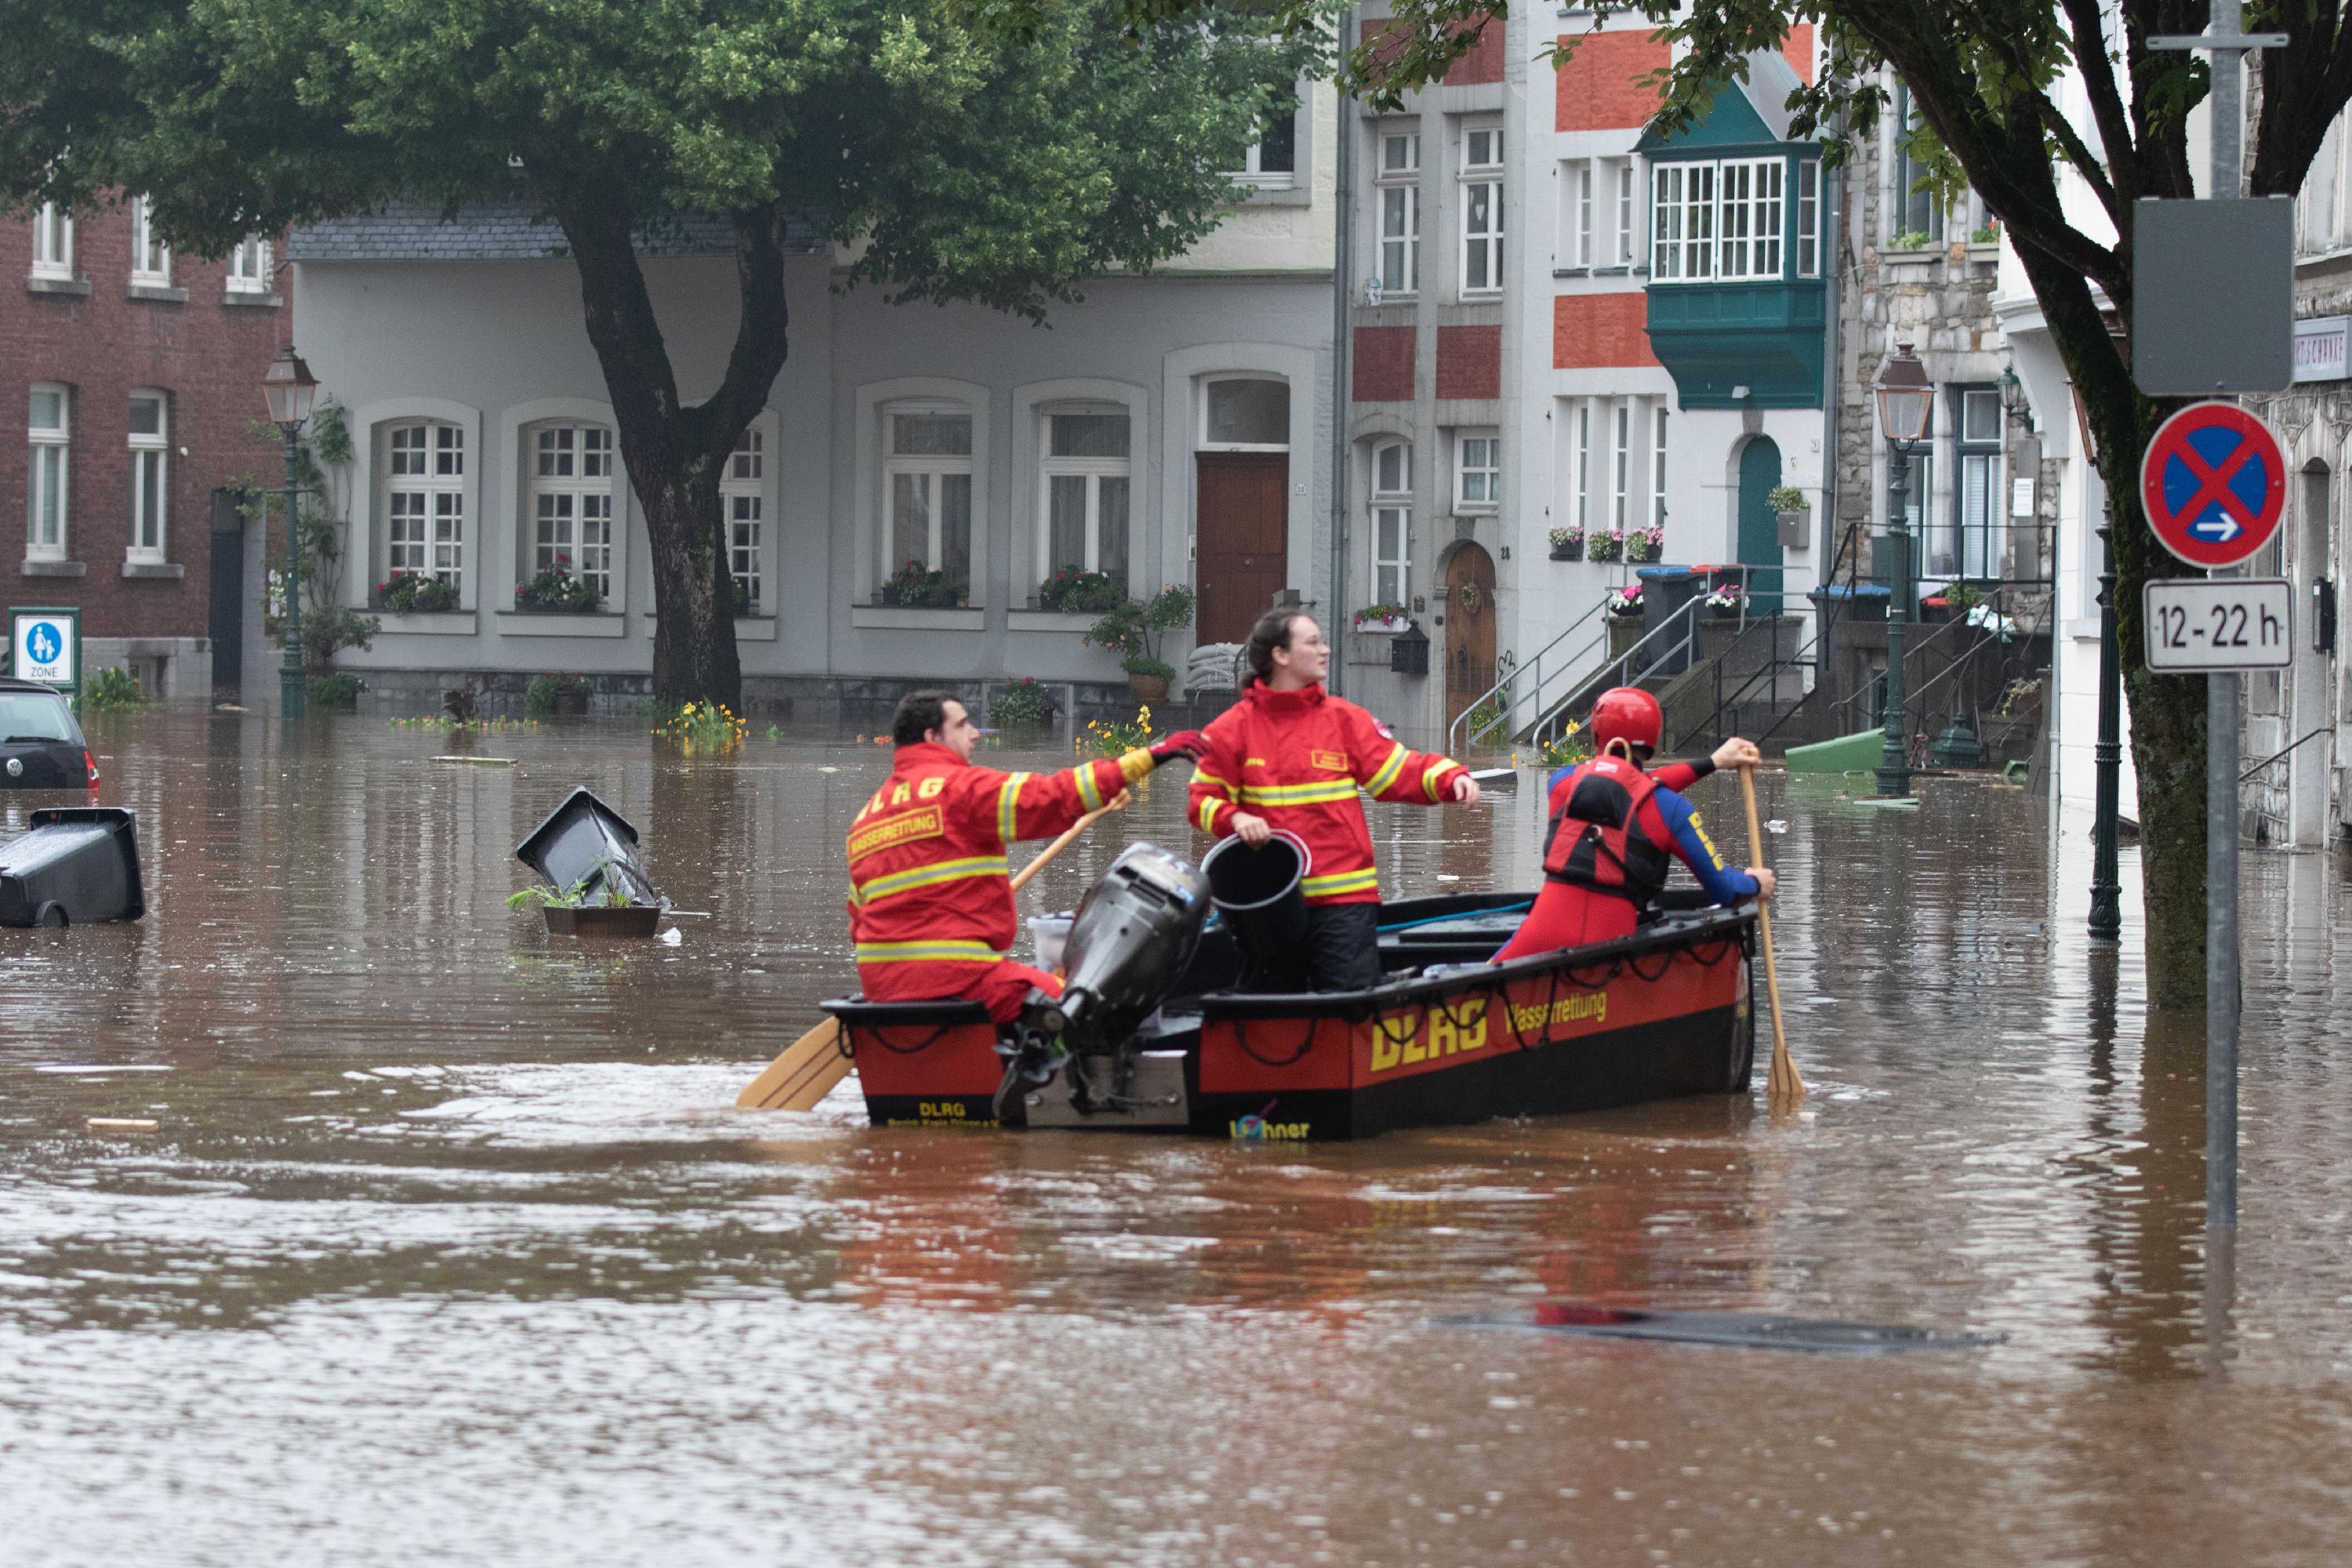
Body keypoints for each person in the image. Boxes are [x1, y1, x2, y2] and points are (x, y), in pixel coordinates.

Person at [848, 691, 1203, 1022]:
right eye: (962, 725)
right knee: (1083, 1011)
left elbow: (858, 917)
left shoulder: (866, 819)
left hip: (882, 990)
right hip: (955, 980)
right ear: (932, 737)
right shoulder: (961, 790)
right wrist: (1153, 755)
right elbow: (1054, 796)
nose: (975, 735)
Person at [1189, 608, 1480, 991]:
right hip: (1270, 907)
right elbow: (1201, 802)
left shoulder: (1344, 720)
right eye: (1313, 643)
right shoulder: (1231, 730)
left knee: (1351, 1005)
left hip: (1344, 900)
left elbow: (1395, 771)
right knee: (1271, 1006)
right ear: (1281, 655)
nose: (1325, 650)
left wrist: (1448, 777)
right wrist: (1235, 819)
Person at [1492, 686, 1775, 964]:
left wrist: (1713, 762)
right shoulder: (1672, 809)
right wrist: (1753, 883)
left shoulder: (1562, 783)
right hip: (1612, 951)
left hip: (1539, 937)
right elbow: (1724, 891)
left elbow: (1629, 785)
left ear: (1597, 736)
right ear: (1652, 742)